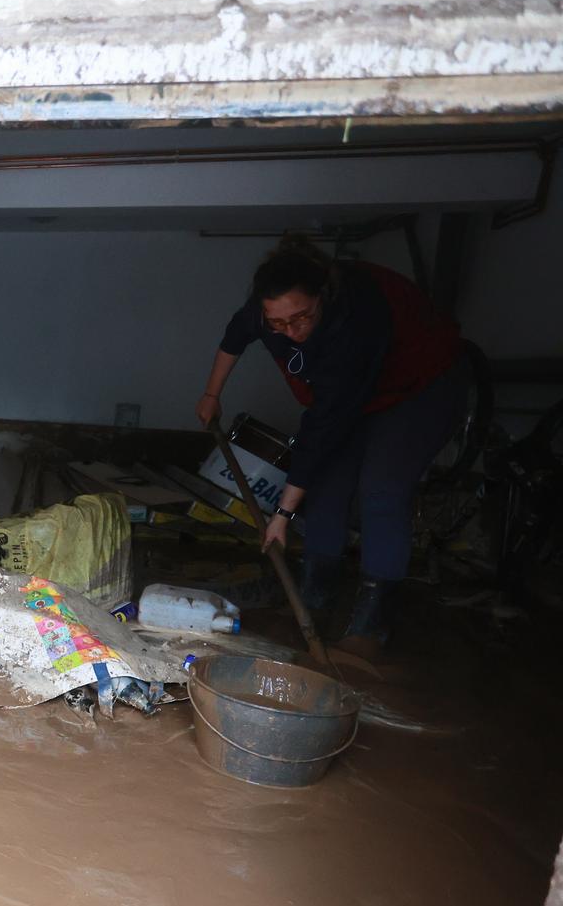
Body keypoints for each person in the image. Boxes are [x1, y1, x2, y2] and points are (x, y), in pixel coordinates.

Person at [196, 236, 468, 655]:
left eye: (301, 319)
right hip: (353, 394)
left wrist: (282, 516)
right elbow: (236, 336)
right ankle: (313, 601)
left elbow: (321, 429)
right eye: (278, 325)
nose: (291, 332)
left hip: (419, 387)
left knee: (381, 489)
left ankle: (369, 629)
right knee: (324, 487)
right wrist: (212, 395)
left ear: (322, 296)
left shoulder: (355, 322)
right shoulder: (268, 310)